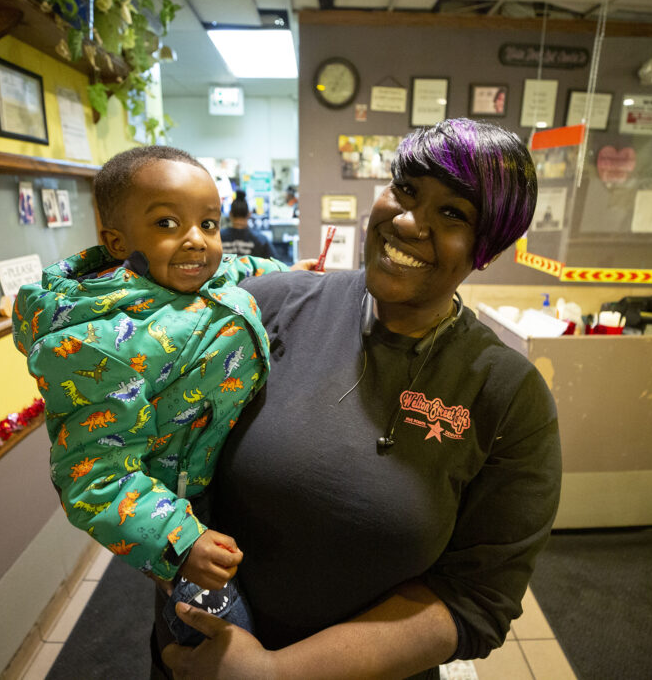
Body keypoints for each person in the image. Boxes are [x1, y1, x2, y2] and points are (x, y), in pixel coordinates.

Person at [160, 118, 562, 677]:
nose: (407, 221)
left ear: (486, 249)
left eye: (453, 214)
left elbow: (476, 598)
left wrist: (277, 675)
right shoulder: (265, 309)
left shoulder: (507, 394)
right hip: (205, 658)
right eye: (406, 189)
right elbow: (152, 456)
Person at [12, 145, 303, 647]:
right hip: (179, 507)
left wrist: (293, 272)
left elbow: (237, 271)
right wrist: (181, 541)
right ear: (116, 241)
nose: (197, 242)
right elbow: (94, 475)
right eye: (168, 224)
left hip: (220, 477)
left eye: (208, 224)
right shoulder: (99, 346)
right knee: (218, 631)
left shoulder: (188, 278)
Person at [220, 191, 274, 259]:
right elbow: (275, 265)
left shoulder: (219, 238)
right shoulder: (261, 240)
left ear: (230, 214)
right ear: (249, 214)